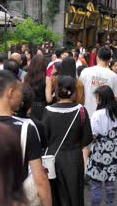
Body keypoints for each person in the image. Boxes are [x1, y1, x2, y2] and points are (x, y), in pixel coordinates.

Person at [0, 70, 52, 205]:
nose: (21, 96)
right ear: (10, 92)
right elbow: (40, 179)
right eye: (19, 91)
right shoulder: (26, 129)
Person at [42, 75, 92, 206]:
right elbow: (87, 138)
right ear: (74, 91)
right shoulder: (81, 110)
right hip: (74, 158)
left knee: (55, 193)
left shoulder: (48, 111)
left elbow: (44, 137)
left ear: (57, 90)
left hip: (52, 157)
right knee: (74, 193)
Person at [87, 85, 117, 206]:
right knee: (110, 182)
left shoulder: (97, 114)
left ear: (101, 99)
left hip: (99, 152)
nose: (95, 100)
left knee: (96, 183)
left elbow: (93, 135)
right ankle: (109, 203)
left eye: (96, 97)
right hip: (113, 151)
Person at [79, 47, 117, 119]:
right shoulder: (113, 76)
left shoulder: (85, 71)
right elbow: (116, 97)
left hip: (86, 113)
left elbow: (79, 90)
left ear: (97, 57)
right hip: (104, 117)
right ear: (109, 59)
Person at [23, 54, 49, 121]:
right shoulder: (46, 79)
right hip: (42, 108)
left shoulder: (25, 78)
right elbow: (49, 99)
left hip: (28, 107)